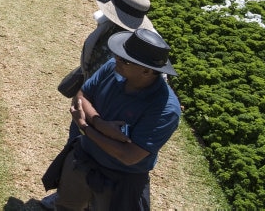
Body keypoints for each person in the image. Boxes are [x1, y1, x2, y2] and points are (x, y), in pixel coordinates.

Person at [43, 28, 180, 211]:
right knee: (66, 206)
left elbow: (129, 156)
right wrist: (100, 124)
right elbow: (82, 96)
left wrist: (85, 126)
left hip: (119, 180)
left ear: (147, 71)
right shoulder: (112, 67)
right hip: (82, 160)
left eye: (124, 59)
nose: (116, 58)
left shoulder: (165, 109)